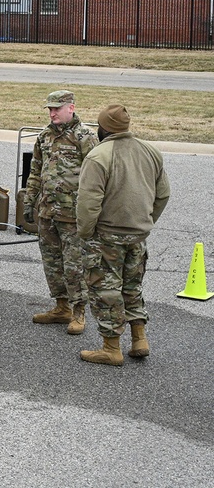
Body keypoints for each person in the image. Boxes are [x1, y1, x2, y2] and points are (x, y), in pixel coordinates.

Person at [76, 104, 171, 366]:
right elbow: (163, 194)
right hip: (138, 236)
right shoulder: (150, 151)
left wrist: (85, 233)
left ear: (103, 128)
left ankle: (111, 348)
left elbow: (88, 203)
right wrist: (146, 221)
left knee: (105, 290)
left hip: (107, 236)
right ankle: (139, 339)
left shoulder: (98, 156)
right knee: (132, 287)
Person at [22, 90, 99, 334]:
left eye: (57, 108)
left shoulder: (85, 136)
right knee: (52, 262)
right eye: (49, 109)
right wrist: (29, 200)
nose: (52, 112)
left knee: (74, 265)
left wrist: (93, 211)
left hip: (73, 214)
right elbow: (35, 170)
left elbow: (97, 177)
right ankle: (61, 306)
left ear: (71, 108)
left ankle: (79, 311)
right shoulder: (44, 136)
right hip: (48, 211)